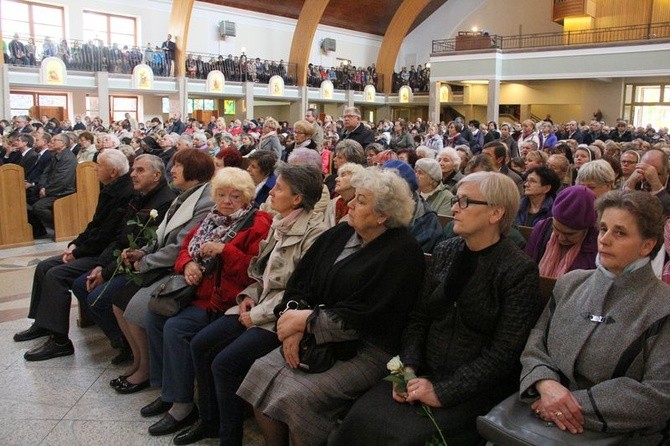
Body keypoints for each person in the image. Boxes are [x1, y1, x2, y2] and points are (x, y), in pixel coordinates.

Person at [332, 172, 541, 445]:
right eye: (455, 200)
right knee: (358, 420)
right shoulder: (447, 251)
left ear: (495, 213)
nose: (454, 207)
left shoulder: (517, 270)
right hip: (423, 372)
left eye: (465, 202)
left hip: (474, 388)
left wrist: (443, 392)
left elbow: (504, 354)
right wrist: (408, 368)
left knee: (406, 438)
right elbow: (418, 317)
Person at [238, 167, 425, 446]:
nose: (349, 204)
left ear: (383, 215)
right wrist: (293, 327)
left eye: (360, 201)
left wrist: (307, 322)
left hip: (367, 347)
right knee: (260, 371)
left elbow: (370, 315)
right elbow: (300, 283)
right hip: (313, 335)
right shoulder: (340, 233)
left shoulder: (402, 252)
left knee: (299, 395)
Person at [173, 163, 327, 445]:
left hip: (280, 315)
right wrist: (248, 298)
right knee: (200, 344)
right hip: (258, 303)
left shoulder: (314, 234)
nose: (270, 191)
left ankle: (229, 438)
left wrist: (256, 314)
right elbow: (260, 273)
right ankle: (209, 421)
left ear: (297, 198)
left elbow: (299, 290)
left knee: (224, 363)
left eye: (278, 188)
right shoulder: (280, 222)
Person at [518, 190, 669, 443]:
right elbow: (536, 342)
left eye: (620, 232)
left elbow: (660, 392)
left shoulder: (662, 306)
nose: (604, 240)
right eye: (602, 229)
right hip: (539, 415)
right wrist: (545, 384)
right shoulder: (571, 283)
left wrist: (569, 404)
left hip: (617, 433)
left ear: (647, 245)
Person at [143, 168, 273, 437]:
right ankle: (170, 392)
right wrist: (187, 264)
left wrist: (226, 250)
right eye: (222, 195)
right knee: (155, 315)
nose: (226, 201)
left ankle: (183, 405)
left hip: (225, 300)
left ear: (247, 197)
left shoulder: (258, 222)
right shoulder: (210, 220)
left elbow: (253, 271)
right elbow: (184, 250)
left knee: (176, 328)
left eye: (234, 196)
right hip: (197, 292)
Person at [110, 149, 215, 394]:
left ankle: (148, 371)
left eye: (177, 165)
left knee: (135, 309)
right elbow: (162, 234)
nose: (172, 170)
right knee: (118, 302)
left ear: (194, 170)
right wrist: (142, 252)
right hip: (165, 263)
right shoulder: (183, 195)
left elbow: (182, 245)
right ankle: (139, 362)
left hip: (178, 269)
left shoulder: (205, 200)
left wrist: (146, 261)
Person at [14, 150, 135, 360]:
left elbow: (107, 235)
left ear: (113, 171)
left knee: (56, 275)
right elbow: (95, 225)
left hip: (103, 254)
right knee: (43, 267)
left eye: (99, 166)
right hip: (93, 248)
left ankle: (60, 341)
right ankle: (43, 324)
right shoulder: (111, 188)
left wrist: (78, 252)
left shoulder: (125, 193)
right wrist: (75, 244)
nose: (95, 170)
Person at [70, 155, 176, 364]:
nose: (133, 175)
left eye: (140, 171)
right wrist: (101, 265)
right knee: (81, 285)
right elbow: (120, 237)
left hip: (141, 266)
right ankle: (122, 342)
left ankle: (131, 348)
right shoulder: (138, 197)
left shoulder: (164, 202)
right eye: (133, 170)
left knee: (98, 298)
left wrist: (107, 272)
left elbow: (144, 245)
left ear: (156, 176)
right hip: (122, 260)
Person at [525, 185, 599, 278]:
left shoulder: (596, 246)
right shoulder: (542, 230)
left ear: (586, 229)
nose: (560, 238)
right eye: (556, 229)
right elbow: (526, 267)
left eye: (569, 234)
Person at [323, 162, 365, 227]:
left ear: (356, 179)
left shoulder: (362, 206)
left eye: (343, 175)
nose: (336, 179)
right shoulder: (333, 203)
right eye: (338, 176)